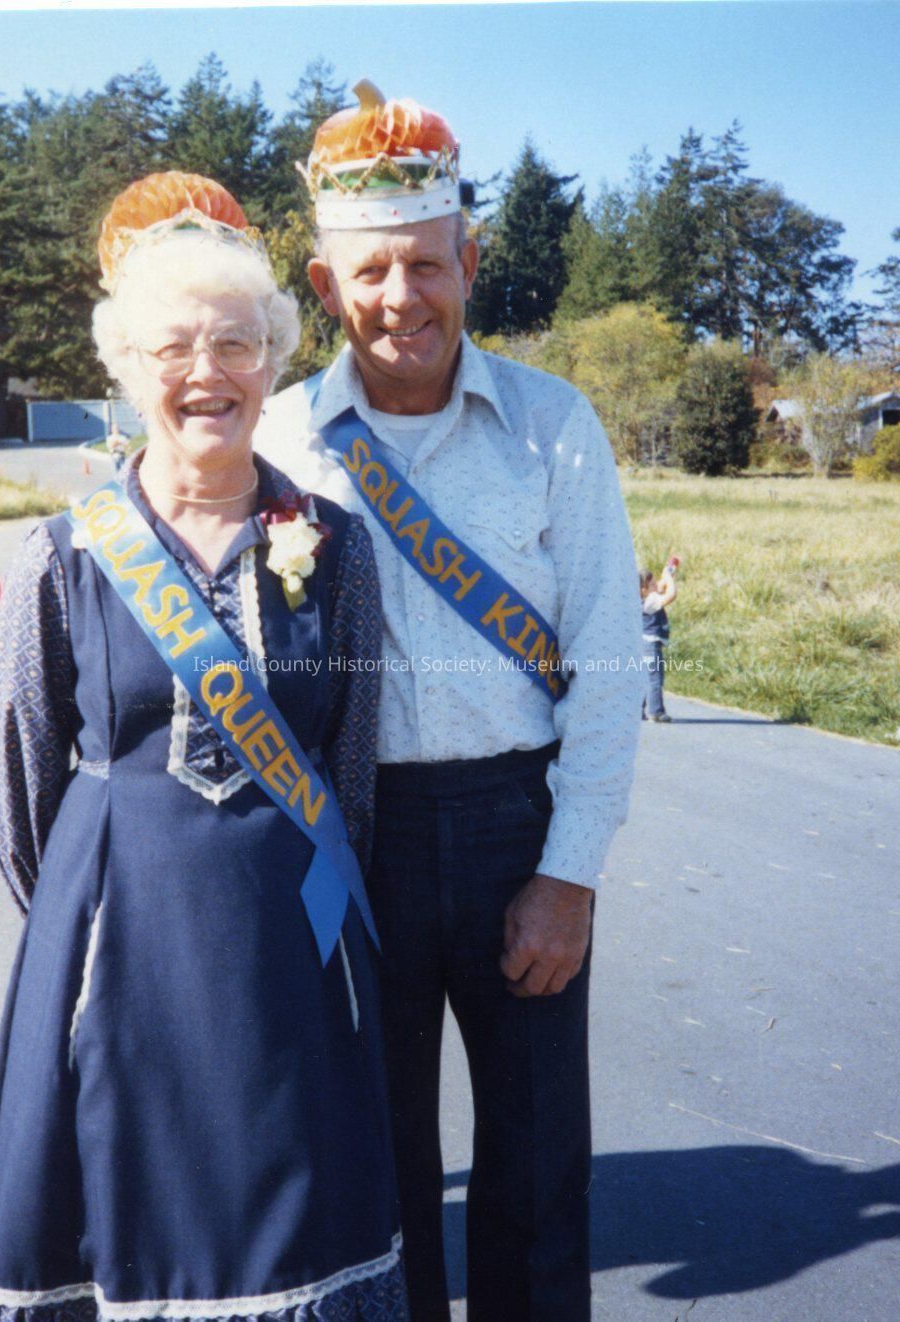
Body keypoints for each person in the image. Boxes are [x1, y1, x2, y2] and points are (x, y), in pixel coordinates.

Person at [0, 171, 407, 1322]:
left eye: (237, 343)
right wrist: (90, 908)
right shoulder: (64, 553)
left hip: (288, 962)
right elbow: (19, 793)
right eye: (173, 348)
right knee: (116, 1209)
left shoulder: (335, 549)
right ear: (126, 366)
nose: (208, 372)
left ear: (274, 360)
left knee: (292, 1221)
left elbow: (350, 774)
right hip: (114, 955)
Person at [254, 83, 643, 1321]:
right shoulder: (278, 441)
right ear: (326, 286)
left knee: (535, 1168)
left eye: (425, 264)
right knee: (379, 1173)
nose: (400, 297)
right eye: (370, 271)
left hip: (513, 828)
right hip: (350, 836)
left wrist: (568, 871)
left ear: (468, 263)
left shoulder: (552, 424)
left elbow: (608, 661)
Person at [640, 560, 678, 723]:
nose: (657, 586)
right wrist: (669, 579)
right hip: (651, 645)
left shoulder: (645, 597)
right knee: (655, 678)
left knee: (644, 678)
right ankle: (655, 712)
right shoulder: (650, 600)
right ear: (644, 590)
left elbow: (661, 587)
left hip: (643, 643)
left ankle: (637, 710)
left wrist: (668, 573)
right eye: (653, 584)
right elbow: (671, 595)